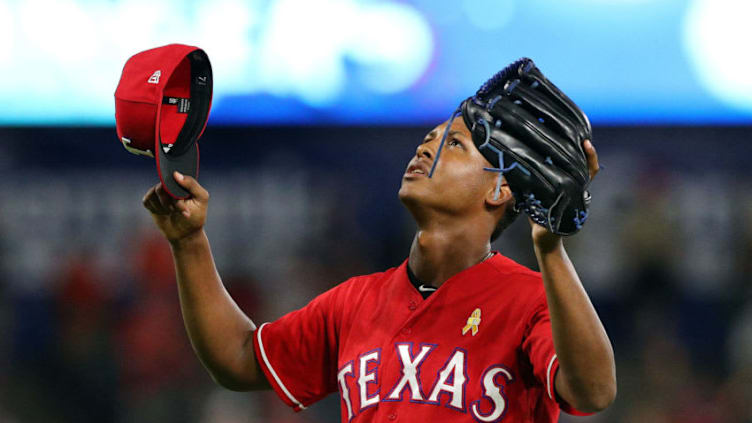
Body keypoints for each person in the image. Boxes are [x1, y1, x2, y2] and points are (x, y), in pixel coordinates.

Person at [142, 73, 616, 422]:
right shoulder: (355, 302)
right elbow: (240, 359)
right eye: (427, 139)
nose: (425, 149)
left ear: (498, 191)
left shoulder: (529, 298)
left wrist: (550, 249)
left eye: (452, 145)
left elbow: (592, 391)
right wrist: (189, 243)